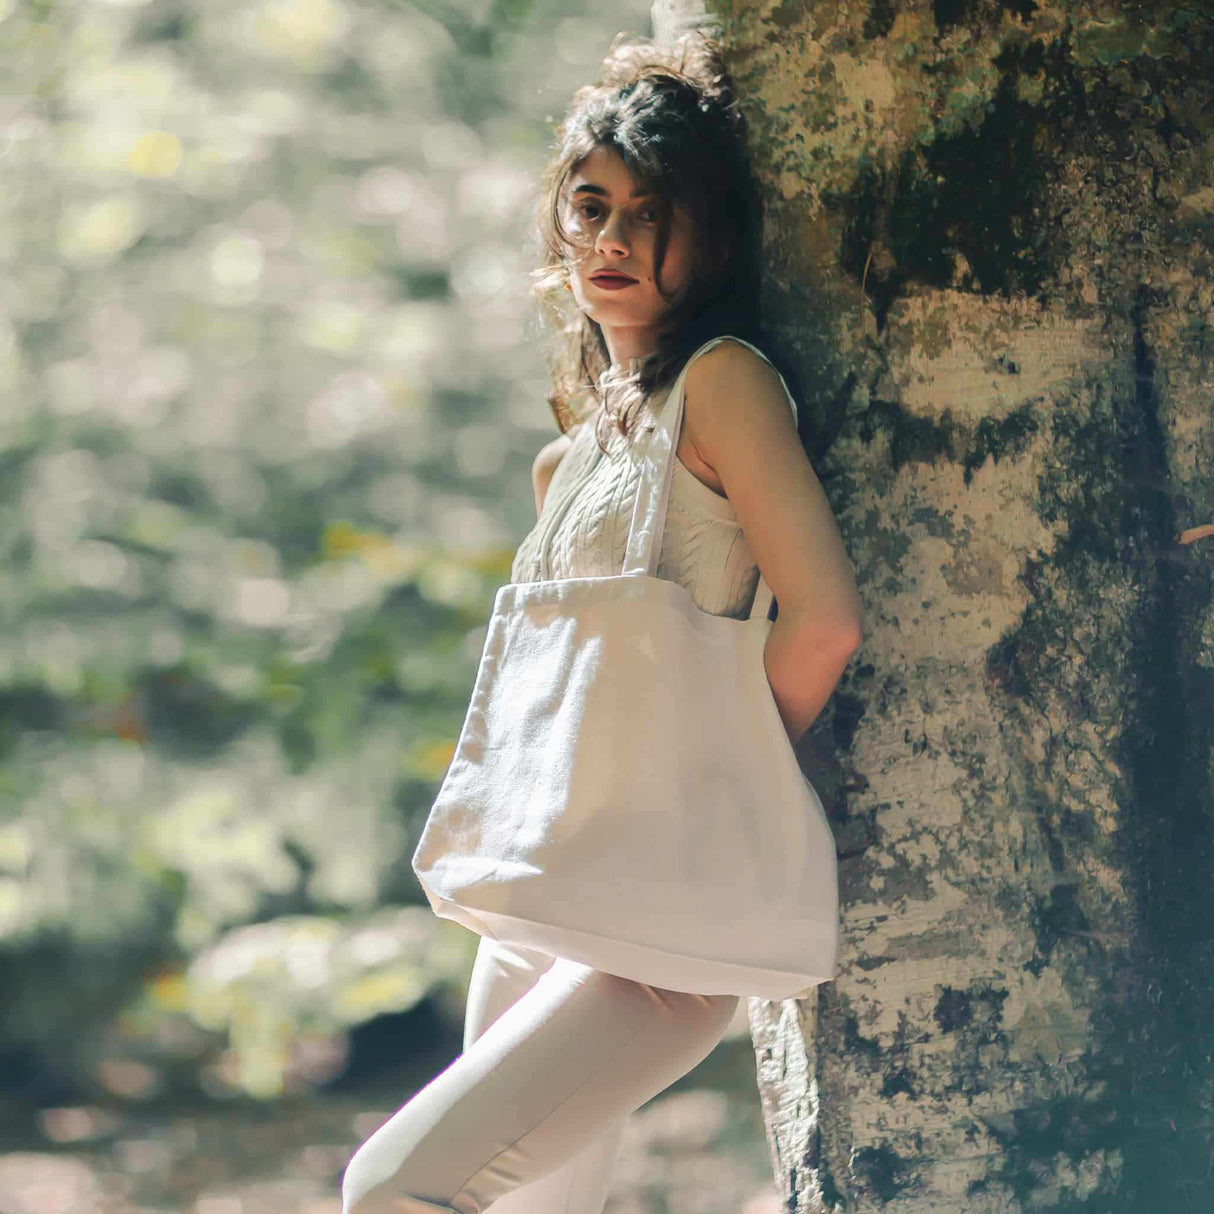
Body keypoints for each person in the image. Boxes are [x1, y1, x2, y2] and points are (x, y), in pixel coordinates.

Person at [341, 28, 862, 1214]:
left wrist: (718, 775)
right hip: (544, 896)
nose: (615, 239)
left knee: (392, 1185)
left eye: (651, 213)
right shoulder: (564, 458)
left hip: (658, 922)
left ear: (711, 238)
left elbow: (823, 620)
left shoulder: (721, 383)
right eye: (591, 208)